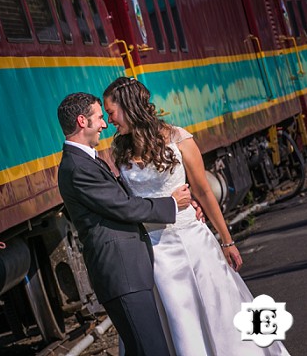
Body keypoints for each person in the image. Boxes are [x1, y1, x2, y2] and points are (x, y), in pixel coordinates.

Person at [103, 77, 291, 356]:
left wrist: (227, 241)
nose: (109, 120)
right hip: (155, 254)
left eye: (112, 112)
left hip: (193, 241)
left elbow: (203, 191)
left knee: (220, 310)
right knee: (180, 320)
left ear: (129, 107)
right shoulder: (121, 150)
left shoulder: (179, 138)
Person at [56, 92, 192, 356]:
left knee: (143, 349)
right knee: (152, 350)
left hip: (127, 272)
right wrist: (172, 204)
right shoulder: (77, 167)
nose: (104, 124)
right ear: (82, 121)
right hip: (122, 273)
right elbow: (123, 206)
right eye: (98, 117)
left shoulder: (85, 160)